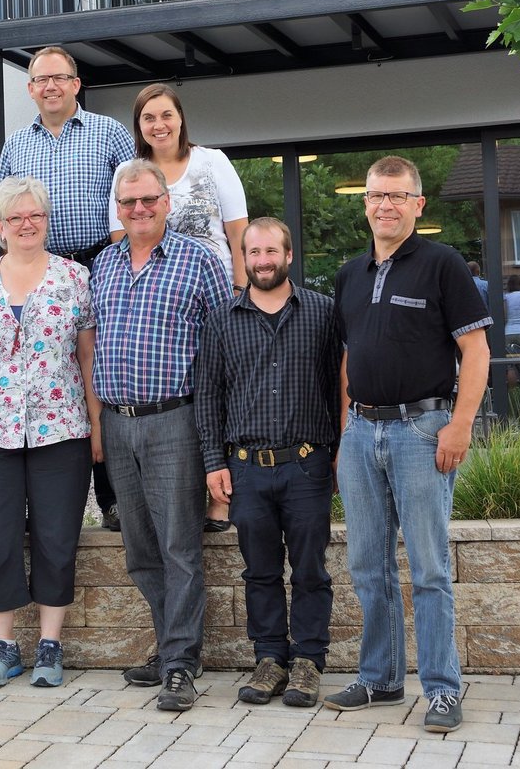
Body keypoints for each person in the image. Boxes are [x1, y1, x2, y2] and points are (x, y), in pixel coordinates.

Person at [325, 156, 490, 733]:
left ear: (418, 205)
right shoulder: (350, 274)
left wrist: (460, 424)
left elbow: (476, 351)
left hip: (423, 432)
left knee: (429, 569)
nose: (385, 205)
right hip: (361, 433)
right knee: (368, 565)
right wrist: (347, 424)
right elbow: (348, 356)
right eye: (376, 195)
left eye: (398, 196)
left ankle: (442, 690)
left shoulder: (443, 266)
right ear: (365, 203)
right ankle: (381, 679)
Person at [92, 159, 233, 711]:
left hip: (176, 418)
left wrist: (216, 434)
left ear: (166, 202)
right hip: (117, 421)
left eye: (148, 200)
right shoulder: (102, 264)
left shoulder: (199, 261)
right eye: (128, 203)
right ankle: (170, 645)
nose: (139, 210)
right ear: (118, 209)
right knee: (140, 548)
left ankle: (180, 663)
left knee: (178, 546)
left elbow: (223, 349)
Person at [0, 177, 99, 689]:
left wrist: (97, 426)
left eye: (35, 215)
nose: (27, 224)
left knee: (57, 538)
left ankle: (51, 646)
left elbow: (87, 357)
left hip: (62, 431)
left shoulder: (75, 278)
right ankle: (3, 646)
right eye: (16, 217)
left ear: (46, 220)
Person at [195, 217, 340, 708]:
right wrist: (214, 463)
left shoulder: (322, 312)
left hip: (306, 464)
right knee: (258, 570)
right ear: (243, 258)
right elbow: (208, 396)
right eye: (253, 252)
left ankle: (308, 662)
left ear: (288, 255)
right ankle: (270, 658)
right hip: (246, 468)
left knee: (309, 569)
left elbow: (336, 386)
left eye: (270, 252)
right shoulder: (221, 318)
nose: (262, 261)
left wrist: (339, 452)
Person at [0, 45, 133, 533]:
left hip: (99, 262)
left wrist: (119, 258)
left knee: (100, 371)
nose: (50, 86)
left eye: (59, 77)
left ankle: (113, 495)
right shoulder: (16, 147)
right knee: (46, 372)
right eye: (40, 79)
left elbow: (128, 197)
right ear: (31, 89)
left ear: (77, 83)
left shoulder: (110, 133)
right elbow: (7, 210)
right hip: (39, 272)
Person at [110, 82, 249, 534]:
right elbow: (122, 238)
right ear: (140, 126)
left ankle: (220, 500)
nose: (159, 124)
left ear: (180, 118)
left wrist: (241, 294)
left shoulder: (211, 162)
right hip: (163, 297)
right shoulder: (132, 174)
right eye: (148, 117)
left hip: (214, 288)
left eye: (166, 114)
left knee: (216, 394)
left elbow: (237, 231)